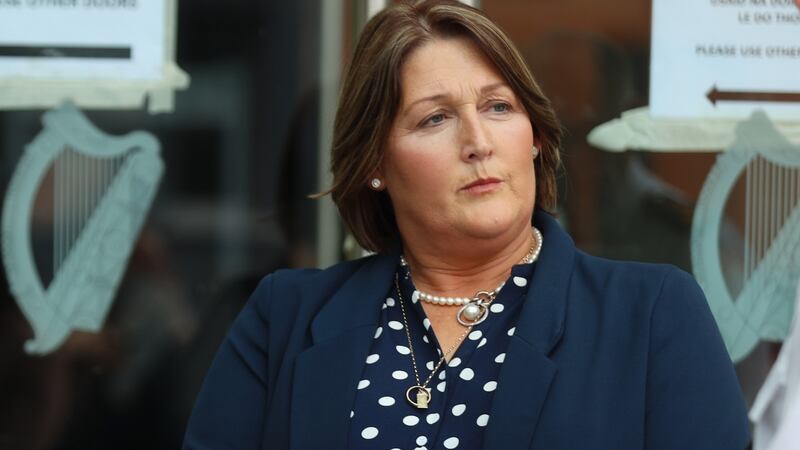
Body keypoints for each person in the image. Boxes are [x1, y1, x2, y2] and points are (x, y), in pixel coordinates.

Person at [183, 1, 751, 449]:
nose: (478, 143)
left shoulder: (652, 314)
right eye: (435, 118)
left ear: (536, 139)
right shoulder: (284, 316)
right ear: (376, 164)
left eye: (499, 107)